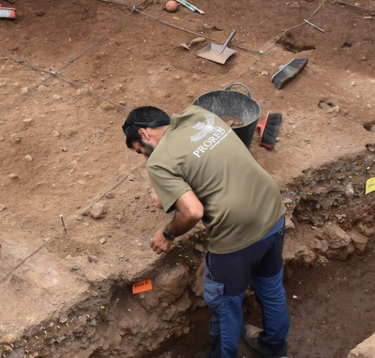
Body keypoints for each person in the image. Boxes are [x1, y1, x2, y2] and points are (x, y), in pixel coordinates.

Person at [122, 106, 290, 358]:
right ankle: (274, 349)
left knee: (224, 306)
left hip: (236, 233)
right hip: (272, 210)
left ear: (144, 133)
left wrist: (167, 234)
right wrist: (164, 186)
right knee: (270, 287)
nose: (144, 158)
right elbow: (201, 163)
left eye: (140, 151)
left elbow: (192, 211)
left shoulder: (160, 160)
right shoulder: (199, 115)